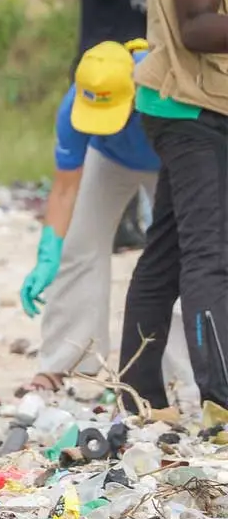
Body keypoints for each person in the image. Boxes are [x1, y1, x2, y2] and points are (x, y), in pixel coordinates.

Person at [20, 40, 197, 402]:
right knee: (78, 247)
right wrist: (48, 252)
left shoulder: (166, 86)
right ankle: (62, 362)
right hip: (109, 159)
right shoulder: (74, 105)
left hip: (170, 157)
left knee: (179, 256)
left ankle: (183, 375)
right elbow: (65, 189)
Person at [120, 0, 228, 413]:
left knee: (166, 253)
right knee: (209, 253)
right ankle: (221, 396)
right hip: (189, 109)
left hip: (206, 102)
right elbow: (196, 26)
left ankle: (139, 395)